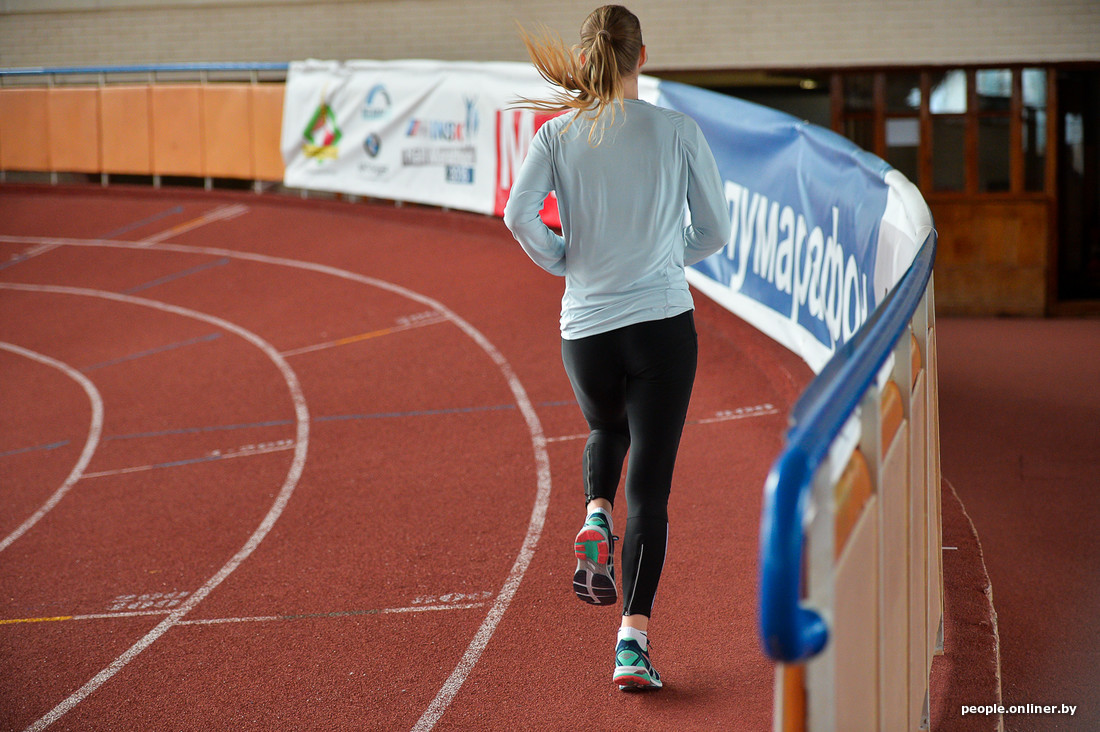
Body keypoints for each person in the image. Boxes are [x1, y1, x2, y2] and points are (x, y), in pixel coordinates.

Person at [503, 4, 731, 691]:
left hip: (587, 329)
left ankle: (594, 511)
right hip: (661, 323)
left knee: (606, 427)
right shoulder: (676, 131)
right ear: (643, 55)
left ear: (585, 60)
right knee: (652, 497)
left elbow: (519, 215)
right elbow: (715, 231)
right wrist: (668, 256)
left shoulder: (557, 135)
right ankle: (631, 644)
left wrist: (564, 261)